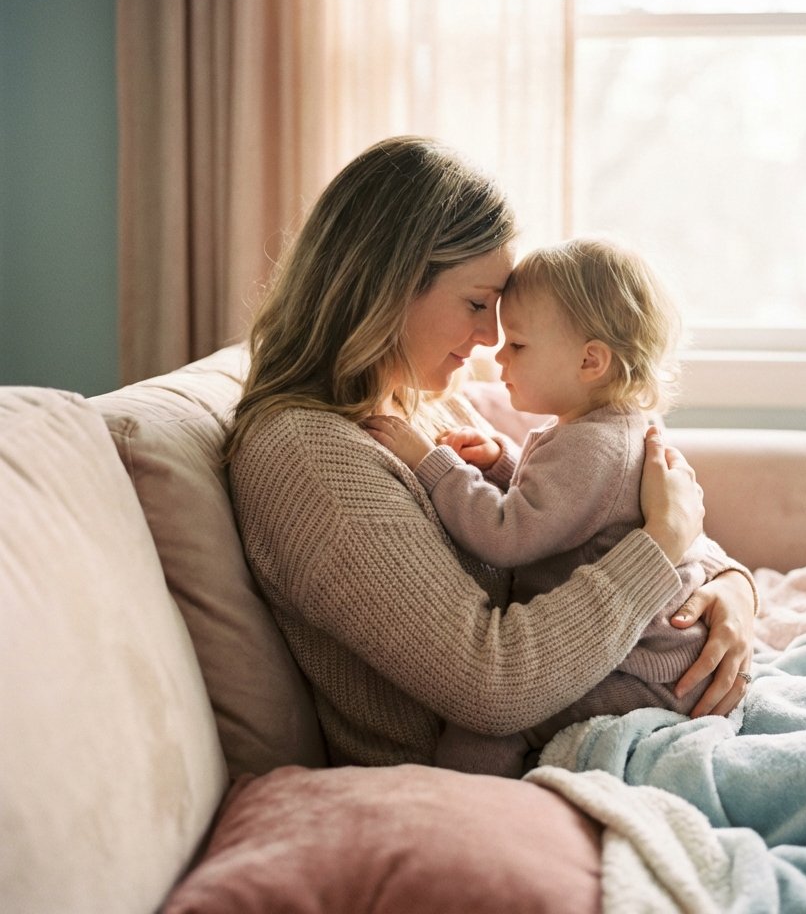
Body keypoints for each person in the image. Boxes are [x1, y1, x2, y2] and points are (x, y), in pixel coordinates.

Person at [225, 134, 757, 777]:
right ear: (386, 287)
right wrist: (665, 540)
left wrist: (731, 589)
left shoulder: (420, 401)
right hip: (487, 768)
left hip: (600, 709)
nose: (490, 338)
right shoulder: (307, 458)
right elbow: (495, 684)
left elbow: (601, 508)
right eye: (478, 304)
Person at [363, 238, 758, 774]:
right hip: (661, 651)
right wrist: (502, 464)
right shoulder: (610, 427)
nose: (496, 355)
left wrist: (434, 465)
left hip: (643, 671)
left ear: (590, 360)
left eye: (518, 345)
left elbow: (506, 536)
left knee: (479, 735)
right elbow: (572, 514)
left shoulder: (588, 446)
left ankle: (473, 802)